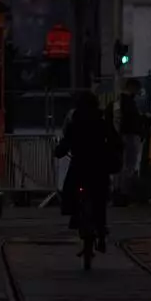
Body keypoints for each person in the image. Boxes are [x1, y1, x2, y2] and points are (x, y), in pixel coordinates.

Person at [55, 92, 121, 256]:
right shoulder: (102, 122)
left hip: (80, 165)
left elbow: (65, 142)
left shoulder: (75, 123)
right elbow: (116, 141)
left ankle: (75, 217)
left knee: (70, 190)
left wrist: (59, 151)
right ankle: (101, 232)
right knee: (100, 200)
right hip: (99, 167)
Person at [116, 78, 151, 204]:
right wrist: (143, 118)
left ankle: (122, 191)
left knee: (126, 165)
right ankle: (125, 193)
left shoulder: (124, 101)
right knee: (129, 165)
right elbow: (132, 119)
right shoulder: (127, 101)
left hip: (128, 134)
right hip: (130, 134)